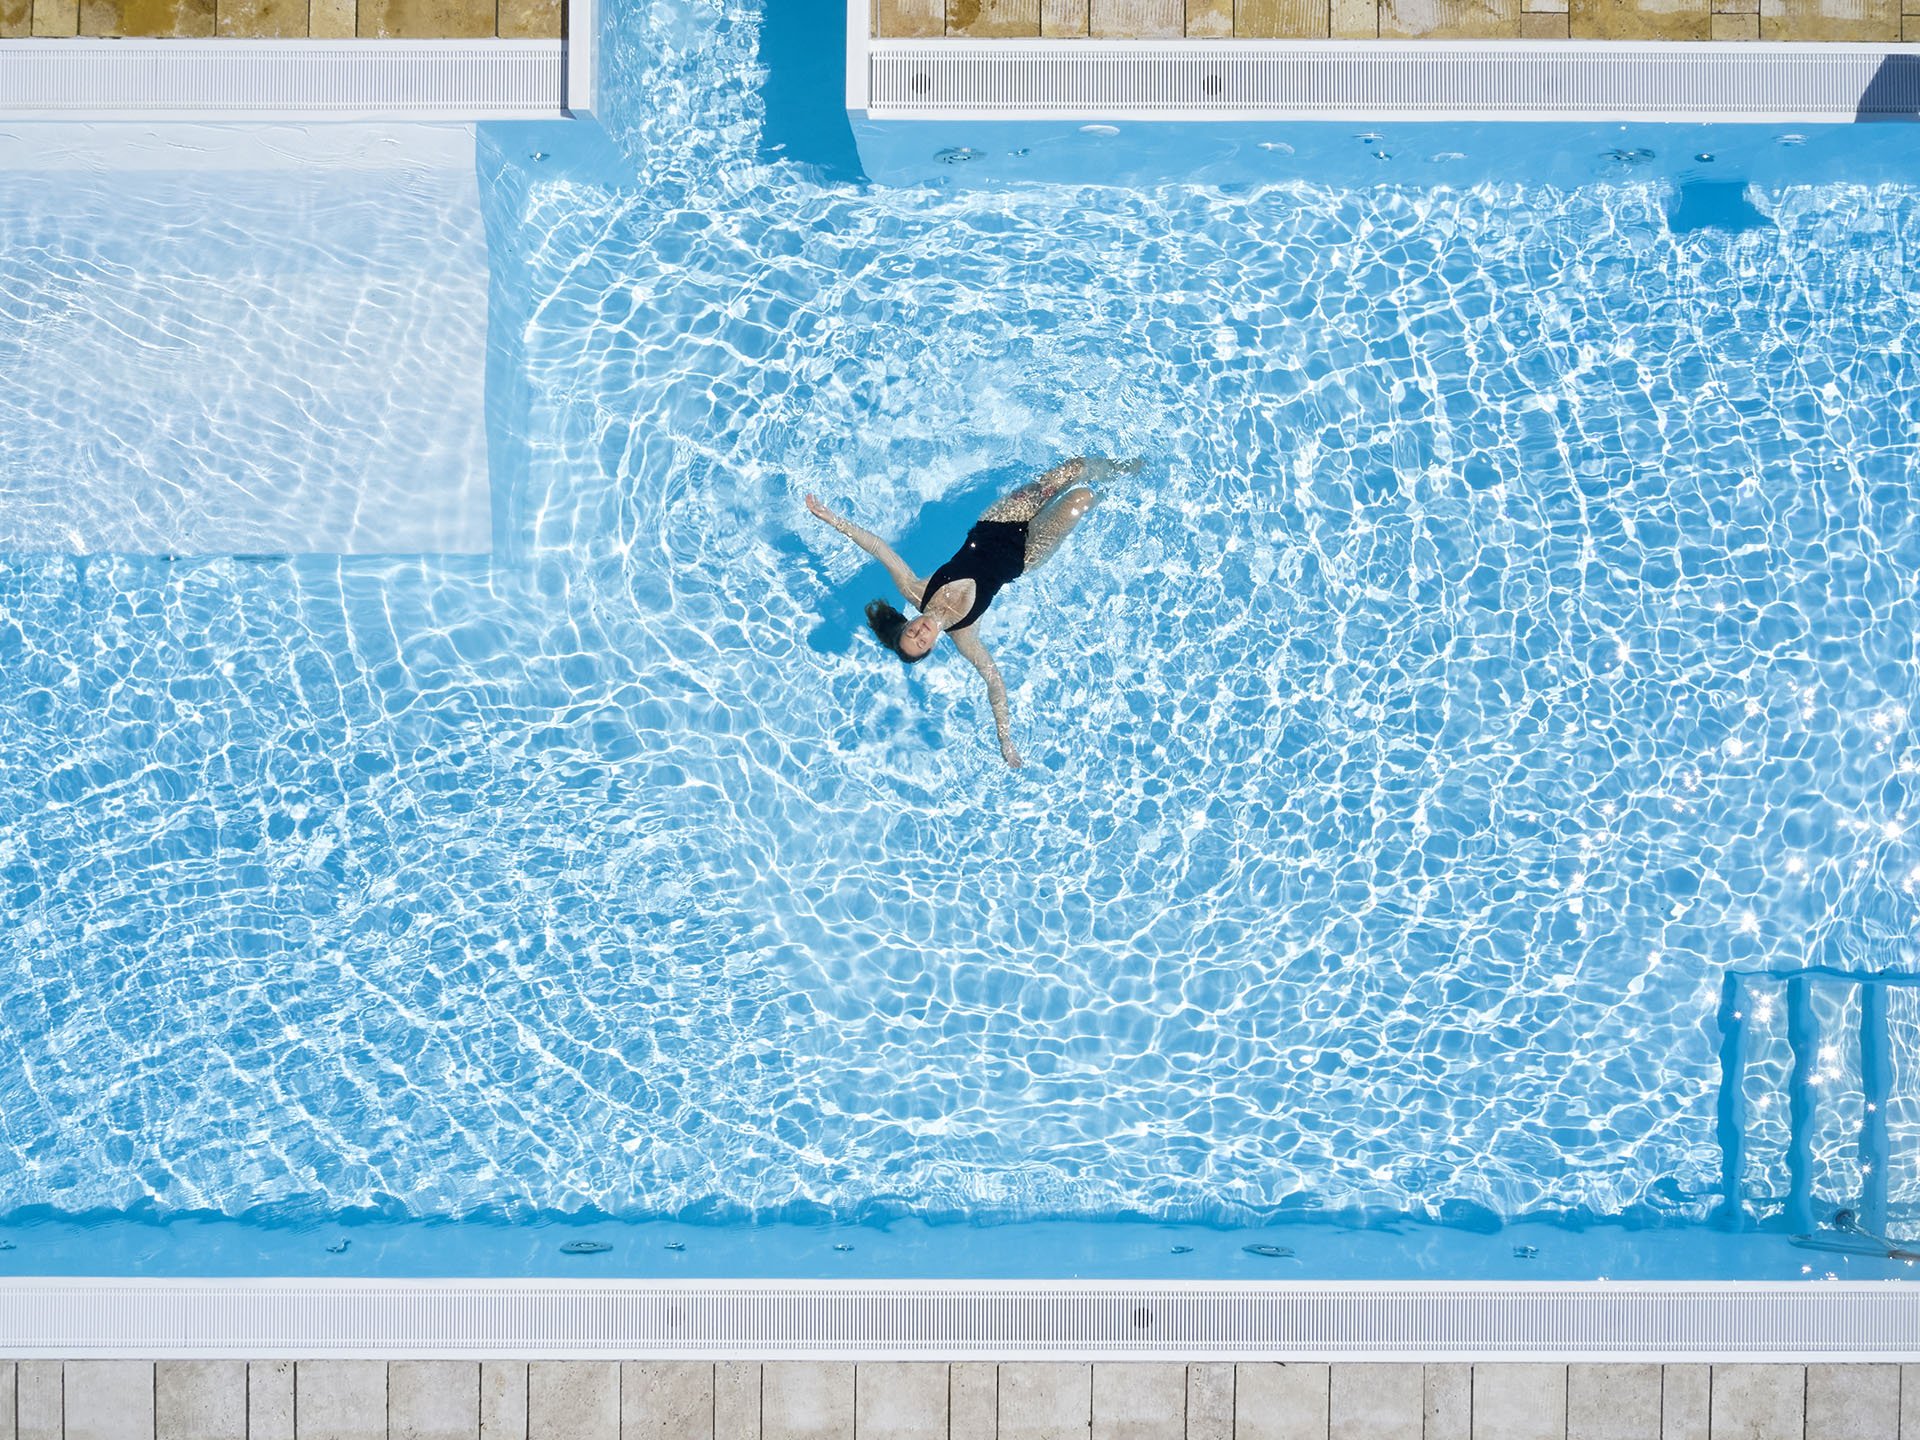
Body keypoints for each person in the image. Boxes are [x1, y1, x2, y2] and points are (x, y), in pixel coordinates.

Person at [804, 456, 1139, 768]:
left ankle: (1123, 466)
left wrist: (831, 519)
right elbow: (994, 683)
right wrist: (1005, 738)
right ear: (932, 646)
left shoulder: (915, 590)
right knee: (1081, 499)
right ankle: (1118, 483)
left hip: (997, 522)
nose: (920, 634)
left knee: (1071, 470)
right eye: (922, 643)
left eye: (911, 633)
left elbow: (878, 548)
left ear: (909, 624)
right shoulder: (965, 635)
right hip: (1026, 555)